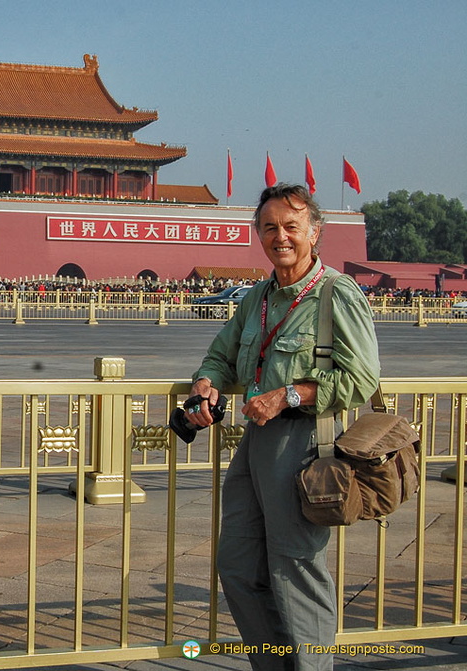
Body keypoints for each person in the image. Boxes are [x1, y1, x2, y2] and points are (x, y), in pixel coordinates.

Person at [184, 184, 380, 671]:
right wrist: (206, 384)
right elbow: (221, 356)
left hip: (306, 441)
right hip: (256, 442)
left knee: (296, 569)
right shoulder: (258, 297)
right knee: (238, 563)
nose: (281, 236)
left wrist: (289, 394)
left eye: (292, 226)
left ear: (314, 233)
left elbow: (361, 378)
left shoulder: (336, 294)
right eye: (269, 227)